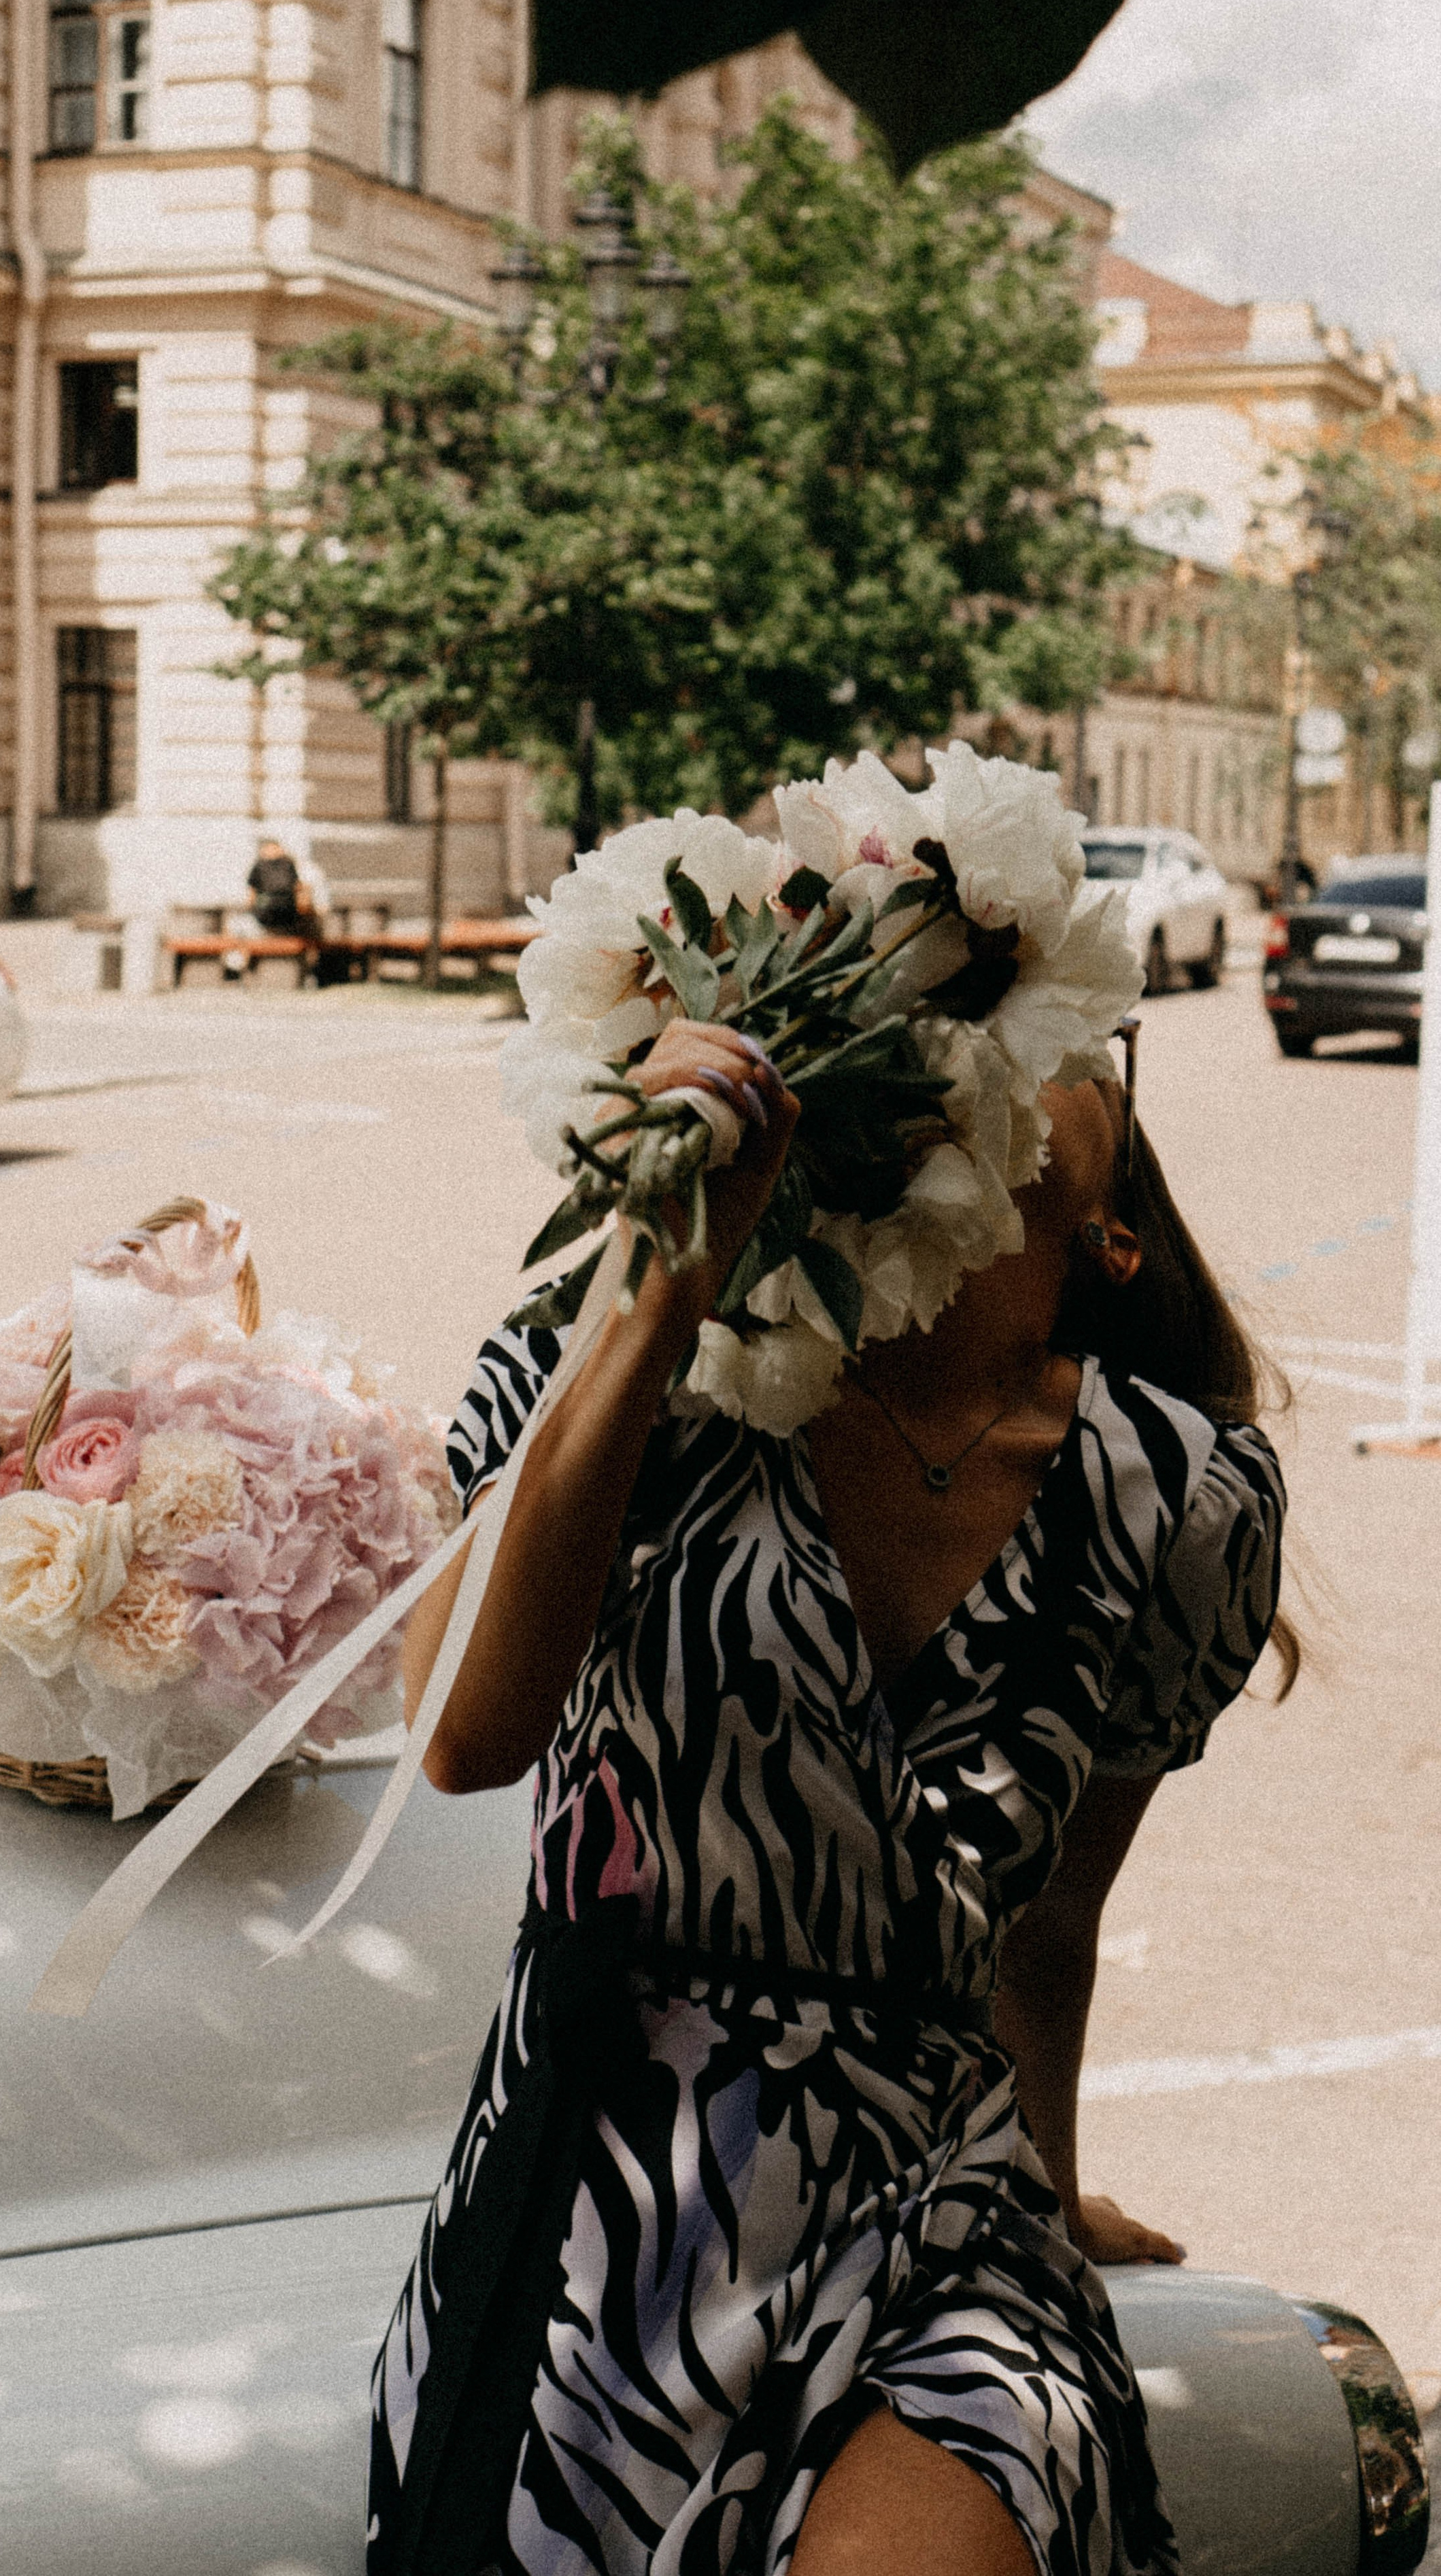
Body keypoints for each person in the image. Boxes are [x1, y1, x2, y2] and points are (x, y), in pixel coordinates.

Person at [369, 1016, 1292, 2576]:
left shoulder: (1177, 1494)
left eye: (1062, 1039)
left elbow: (1047, 1917)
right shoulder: (614, 1364)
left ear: (1106, 1230)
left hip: (943, 2225)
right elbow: (461, 1733)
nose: (988, 1041)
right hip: (597, 2205)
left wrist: (1052, 2195)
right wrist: (660, 1274)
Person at [221, 840, 321, 978]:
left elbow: (250, 900)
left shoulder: (259, 867)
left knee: (234, 926)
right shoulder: (294, 870)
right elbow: (303, 906)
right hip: (290, 926)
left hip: (264, 927)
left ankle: (237, 967)